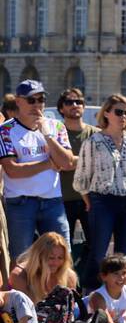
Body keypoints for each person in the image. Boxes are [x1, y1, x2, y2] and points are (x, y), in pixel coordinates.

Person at [73, 94, 126, 284]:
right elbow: (81, 176)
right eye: (119, 112)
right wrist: (90, 201)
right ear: (106, 113)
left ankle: (119, 296)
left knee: (123, 256)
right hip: (102, 200)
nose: (123, 117)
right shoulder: (94, 141)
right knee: (98, 252)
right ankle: (90, 294)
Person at [1, 80, 74, 259]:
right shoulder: (5, 130)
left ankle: (61, 289)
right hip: (20, 203)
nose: (37, 105)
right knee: (22, 259)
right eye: (31, 100)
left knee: (63, 256)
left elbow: (66, 162)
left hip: (52, 202)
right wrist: (49, 164)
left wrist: (47, 135)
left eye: (40, 99)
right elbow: (13, 170)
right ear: (18, 101)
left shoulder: (56, 127)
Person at [9, 232, 79, 323]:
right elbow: (29, 311)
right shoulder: (20, 274)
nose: (56, 263)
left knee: (67, 295)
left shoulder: (68, 275)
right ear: (39, 256)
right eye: (51, 258)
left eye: (60, 258)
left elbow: (69, 311)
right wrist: (44, 277)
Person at [56, 87, 94, 279]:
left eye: (79, 102)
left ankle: (88, 283)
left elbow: (100, 163)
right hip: (62, 199)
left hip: (91, 200)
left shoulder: (94, 133)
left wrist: (70, 160)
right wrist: (84, 159)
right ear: (61, 108)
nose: (75, 106)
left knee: (96, 245)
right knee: (63, 249)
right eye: (69, 102)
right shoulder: (56, 133)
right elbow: (59, 163)